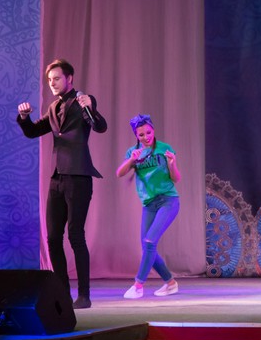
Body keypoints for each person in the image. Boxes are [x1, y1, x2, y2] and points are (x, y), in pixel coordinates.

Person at [17, 58, 107, 309]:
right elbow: (33, 131)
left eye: (56, 78)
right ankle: (63, 294)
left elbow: (100, 127)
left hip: (78, 176)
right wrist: (23, 117)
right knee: (53, 238)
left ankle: (84, 296)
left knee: (75, 235)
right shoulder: (53, 108)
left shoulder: (83, 100)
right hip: (57, 178)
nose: (52, 83)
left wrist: (91, 108)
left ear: (69, 78)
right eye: (49, 80)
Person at [116, 114, 181, 299]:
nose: (146, 137)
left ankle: (138, 285)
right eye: (141, 134)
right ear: (136, 136)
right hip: (149, 205)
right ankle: (170, 283)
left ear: (153, 131)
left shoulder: (164, 149)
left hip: (168, 200)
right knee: (147, 247)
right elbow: (120, 173)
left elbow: (176, 178)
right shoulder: (133, 152)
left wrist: (172, 164)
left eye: (149, 132)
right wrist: (131, 161)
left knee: (150, 242)